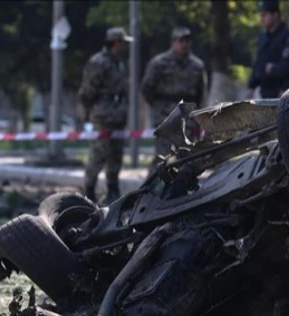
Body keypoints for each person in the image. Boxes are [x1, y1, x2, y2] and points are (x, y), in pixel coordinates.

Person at [141, 27, 207, 171]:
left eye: (188, 41)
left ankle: (182, 190)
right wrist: (160, 107)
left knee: (186, 157)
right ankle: (153, 190)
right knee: (163, 157)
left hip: (187, 118)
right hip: (165, 116)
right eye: (181, 41)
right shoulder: (159, 63)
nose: (185, 44)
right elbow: (147, 89)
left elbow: (201, 93)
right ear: (173, 42)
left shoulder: (197, 66)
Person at [78, 27, 132, 203]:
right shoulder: (98, 62)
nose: (125, 46)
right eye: (123, 42)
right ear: (116, 42)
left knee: (116, 155)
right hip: (103, 116)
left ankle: (112, 189)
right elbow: (87, 91)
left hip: (118, 116)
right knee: (99, 154)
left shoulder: (118, 62)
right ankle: (89, 191)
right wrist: (88, 111)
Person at [246, 0, 289, 99]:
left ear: (275, 15)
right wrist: (251, 86)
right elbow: (258, 62)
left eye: (265, 15)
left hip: (282, 92)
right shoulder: (263, 37)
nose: (262, 19)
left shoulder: (288, 35)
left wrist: (285, 88)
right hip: (265, 92)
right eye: (261, 15)